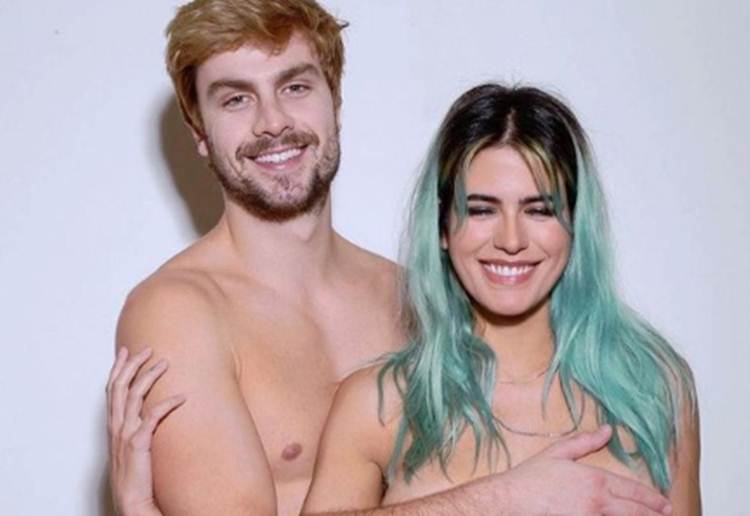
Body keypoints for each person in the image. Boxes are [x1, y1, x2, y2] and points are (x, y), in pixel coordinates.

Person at [106, 0, 679, 514]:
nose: (272, 122)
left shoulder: (417, 294)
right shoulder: (179, 313)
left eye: (295, 87)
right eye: (235, 99)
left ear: (335, 99)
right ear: (199, 130)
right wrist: (507, 498)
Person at [301, 84, 700, 513]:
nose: (511, 240)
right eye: (482, 210)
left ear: (575, 223)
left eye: (539, 210)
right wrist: (501, 498)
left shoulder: (653, 388)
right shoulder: (380, 405)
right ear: (442, 226)